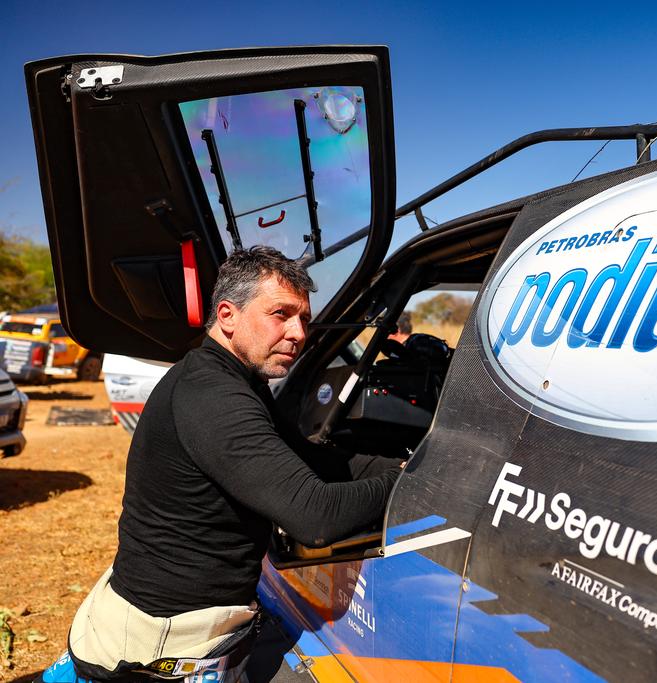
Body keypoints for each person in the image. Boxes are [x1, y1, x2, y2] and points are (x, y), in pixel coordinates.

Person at [45, 247, 402, 683]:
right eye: (281, 314)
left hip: (194, 618)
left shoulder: (238, 380)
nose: (298, 333)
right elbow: (314, 517)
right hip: (165, 642)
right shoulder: (212, 394)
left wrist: (408, 463)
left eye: (304, 319)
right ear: (228, 315)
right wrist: (404, 483)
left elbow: (313, 459)